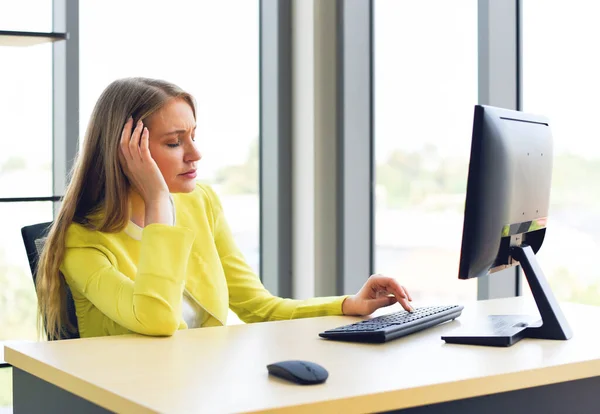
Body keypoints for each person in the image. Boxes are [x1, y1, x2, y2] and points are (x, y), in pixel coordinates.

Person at [36, 77, 413, 340]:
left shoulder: (201, 203)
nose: (195, 154)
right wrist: (156, 201)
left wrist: (350, 304)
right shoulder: (82, 241)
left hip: (205, 388)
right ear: (126, 151)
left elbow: (258, 307)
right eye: (174, 142)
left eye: (194, 136)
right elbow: (156, 319)